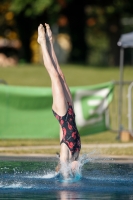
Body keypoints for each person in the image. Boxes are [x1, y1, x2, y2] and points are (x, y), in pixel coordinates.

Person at [37, 23, 81, 175]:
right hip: (70, 111)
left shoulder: (65, 152)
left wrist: (66, 175)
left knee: (54, 76)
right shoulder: (76, 155)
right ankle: (50, 40)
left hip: (62, 113)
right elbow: (77, 173)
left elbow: (65, 172)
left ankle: (42, 42)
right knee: (61, 75)